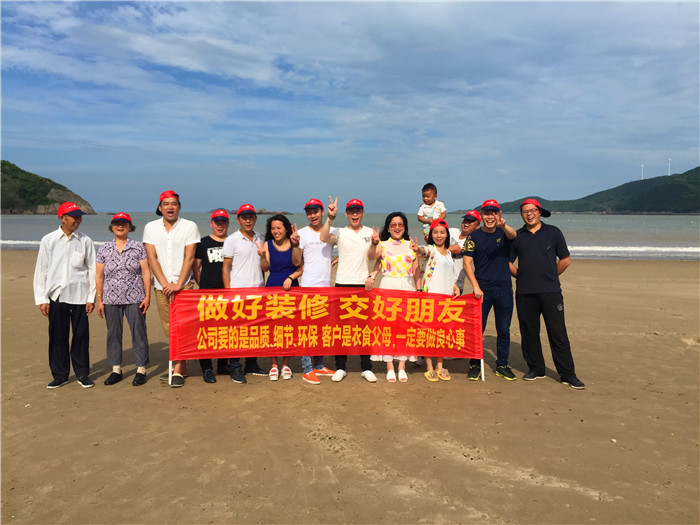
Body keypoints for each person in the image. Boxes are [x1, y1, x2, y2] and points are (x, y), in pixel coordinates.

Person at [509, 198, 585, 390]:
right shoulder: (517, 236)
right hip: (525, 292)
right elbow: (508, 262)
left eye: (532, 210)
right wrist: (521, 276)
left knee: (558, 332)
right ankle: (536, 369)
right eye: (525, 211)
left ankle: (568, 374)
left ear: (539, 212)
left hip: (551, 291)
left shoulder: (553, 232)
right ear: (521, 215)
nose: (529, 214)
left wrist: (550, 275)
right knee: (529, 332)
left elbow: (565, 260)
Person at [34, 202, 96, 389]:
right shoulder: (49, 240)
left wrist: (91, 298)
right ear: (62, 218)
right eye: (74, 216)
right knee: (57, 337)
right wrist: (42, 299)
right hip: (56, 296)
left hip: (80, 296)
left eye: (79, 216)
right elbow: (42, 270)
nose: (78, 220)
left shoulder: (85, 241)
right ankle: (60, 375)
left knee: (81, 337)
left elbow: (92, 270)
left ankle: (82, 373)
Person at [143, 190, 200, 388]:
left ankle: (177, 369)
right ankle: (181, 364)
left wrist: (178, 284)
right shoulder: (151, 228)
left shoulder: (189, 226)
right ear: (160, 208)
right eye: (166, 204)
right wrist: (165, 283)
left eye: (174, 204)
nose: (170, 207)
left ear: (179, 207)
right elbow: (152, 258)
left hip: (185, 285)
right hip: (161, 286)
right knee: (169, 327)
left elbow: (189, 258)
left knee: (183, 326)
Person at [320, 197, 377, 383]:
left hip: (363, 285)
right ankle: (340, 367)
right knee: (341, 328)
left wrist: (372, 276)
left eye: (358, 211)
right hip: (342, 285)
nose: (355, 214)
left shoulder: (370, 232)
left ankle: (366, 367)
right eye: (351, 211)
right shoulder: (340, 232)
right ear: (346, 214)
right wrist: (330, 218)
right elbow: (323, 237)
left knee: (364, 328)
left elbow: (377, 257)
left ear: (363, 213)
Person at [462, 199, 517, 382]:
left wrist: (504, 225)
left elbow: (514, 235)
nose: (490, 216)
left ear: (499, 215)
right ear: (482, 215)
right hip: (483, 290)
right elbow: (467, 262)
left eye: (494, 213)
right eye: (486, 213)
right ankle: (475, 365)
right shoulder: (473, 237)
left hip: (504, 288)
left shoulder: (504, 232)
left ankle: (502, 365)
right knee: (477, 329)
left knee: (504, 329)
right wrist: (476, 286)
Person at [95, 212, 150, 386]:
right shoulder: (104, 248)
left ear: (129, 227)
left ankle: (141, 369)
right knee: (113, 333)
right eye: (117, 223)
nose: (120, 226)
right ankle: (116, 369)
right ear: (112, 227)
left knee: (138, 331)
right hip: (110, 298)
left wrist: (147, 296)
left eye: (124, 223)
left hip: (135, 296)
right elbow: (99, 276)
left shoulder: (138, 247)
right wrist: (99, 300)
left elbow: (146, 272)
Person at [367, 212, 421, 382]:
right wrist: (374, 243)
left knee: (404, 327)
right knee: (387, 327)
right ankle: (389, 366)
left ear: (405, 227)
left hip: (407, 286)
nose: (397, 228)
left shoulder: (411, 245)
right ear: (389, 228)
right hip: (388, 286)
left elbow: (416, 270)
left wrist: (419, 290)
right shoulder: (382, 245)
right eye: (393, 225)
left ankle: (402, 366)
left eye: (400, 224)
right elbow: (373, 258)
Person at [291, 198, 338, 384]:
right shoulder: (301, 234)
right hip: (308, 287)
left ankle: (319, 365)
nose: (313, 215)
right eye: (309, 212)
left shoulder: (332, 231)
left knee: (321, 329)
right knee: (307, 329)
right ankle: (307, 369)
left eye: (316, 211)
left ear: (322, 212)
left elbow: (347, 249)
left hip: (325, 287)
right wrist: (295, 245)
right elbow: (296, 262)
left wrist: (335, 261)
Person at [221, 204, 268, 384]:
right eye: (244, 217)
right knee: (237, 332)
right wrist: (228, 292)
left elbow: (265, 267)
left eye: (251, 217)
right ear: (238, 220)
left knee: (255, 331)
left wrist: (263, 256)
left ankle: (251, 364)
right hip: (238, 292)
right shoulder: (232, 240)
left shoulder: (260, 238)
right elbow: (225, 268)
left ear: (255, 218)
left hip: (258, 291)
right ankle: (235, 366)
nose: (248, 220)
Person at [411, 219, 460, 382]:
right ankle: (429, 368)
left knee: (442, 334)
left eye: (442, 232)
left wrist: (454, 286)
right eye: (436, 232)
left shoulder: (449, 254)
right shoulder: (431, 250)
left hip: (445, 299)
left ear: (447, 234)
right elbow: (423, 251)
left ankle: (440, 366)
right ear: (431, 235)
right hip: (430, 299)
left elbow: (448, 273)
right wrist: (417, 248)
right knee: (429, 334)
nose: (439, 235)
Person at [260, 214, 303, 380]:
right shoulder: (268, 244)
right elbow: (265, 268)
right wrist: (262, 256)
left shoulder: (294, 243)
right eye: (273, 228)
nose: (276, 231)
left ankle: (286, 364)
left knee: (289, 328)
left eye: (279, 228)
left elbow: (299, 266)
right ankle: (273, 365)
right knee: (272, 328)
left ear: (286, 229)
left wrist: (291, 278)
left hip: (291, 288)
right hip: (272, 287)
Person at [192, 209, 231, 383]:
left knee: (225, 330)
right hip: (207, 294)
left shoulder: (232, 241)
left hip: (228, 293)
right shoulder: (203, 243)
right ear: (211, 224)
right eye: (217, 222)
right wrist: (203, 284)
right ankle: (206, 367)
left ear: (228, 224)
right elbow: (196, 267)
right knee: (206, 332)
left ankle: (223, 364)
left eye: (223, 222)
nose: (220, 226)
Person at [448, 210, 481, 294]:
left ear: (477, 226)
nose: (466, 223)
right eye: (465, 220)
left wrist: (438, 247)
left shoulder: (472, 241)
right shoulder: (453, 231)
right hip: (440, 280)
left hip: (456, 285)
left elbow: (455, 249)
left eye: (470, 221)